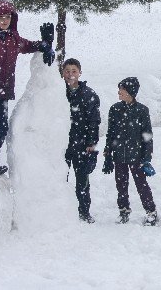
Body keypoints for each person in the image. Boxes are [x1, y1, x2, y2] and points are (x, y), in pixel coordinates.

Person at [0, 0, 55, 175]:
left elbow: (30, 45)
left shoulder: (13, 39)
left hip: (3, 92)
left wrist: (45, 44)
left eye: (8, 17)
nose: (5, 20)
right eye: (1, 17)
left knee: (2, 128)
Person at [102, 77, 158, 226]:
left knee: (141, 184)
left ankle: (151, 212)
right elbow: (110, 134)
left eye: (122, 89)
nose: (119, 92)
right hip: (119, 155)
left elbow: (147, 136)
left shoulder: (142, 110)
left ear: (130, 92)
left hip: (137, 156)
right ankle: (124, 211)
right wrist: (108, 155)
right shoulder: (115, 109)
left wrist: (146, 159)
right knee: (121, 185)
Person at [62, 58, 100, 223]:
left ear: (80, 73)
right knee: (60, 177)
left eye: (74, 71)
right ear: (63, 73)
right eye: (67, 71)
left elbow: (94, 121)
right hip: (61, 143)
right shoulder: (56, 92)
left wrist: (91, 143)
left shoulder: (88, 95)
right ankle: (60, 210)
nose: (70, 74)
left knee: (82, 179)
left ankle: (84, 211)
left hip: (81, 143)